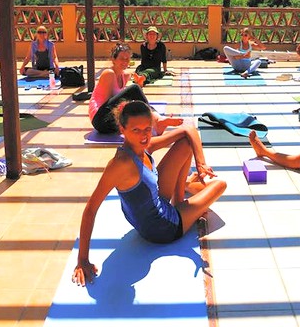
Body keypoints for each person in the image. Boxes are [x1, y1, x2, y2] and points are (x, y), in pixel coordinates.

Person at [72, 100, 227, 286]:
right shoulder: (120, 165)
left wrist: (201, 163)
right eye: (136, 130)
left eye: (147, 129)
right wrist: (82, 259)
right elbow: (90, 209)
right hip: (163, 228)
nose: (143, 136)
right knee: (220, 185)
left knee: (186, 143)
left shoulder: (143, 146)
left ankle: (182, 196)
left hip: (157, 202)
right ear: (122, 129)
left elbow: (189, 130)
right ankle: (185, 197)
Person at [89, 43, 179, 134]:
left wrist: (140, 84)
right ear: (113, 59)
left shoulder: (125, 75)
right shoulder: (109, 73)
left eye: (127, 59)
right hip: (100, 120)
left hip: (112, 123)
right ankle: (157, 120)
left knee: (136, 100)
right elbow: (107, 104)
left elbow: (137, 97)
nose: (125, 61)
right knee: (134, 89)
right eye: (122, 58)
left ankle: (157, 121)